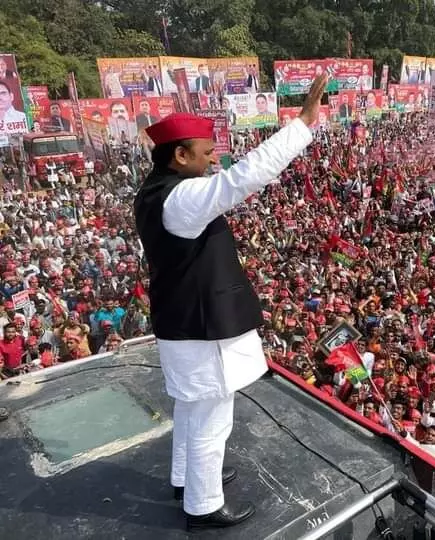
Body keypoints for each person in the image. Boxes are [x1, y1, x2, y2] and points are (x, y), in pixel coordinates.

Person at [133, 73, 327, 531]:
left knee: (192, 409)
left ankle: (186, 480)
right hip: (202, 332)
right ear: (179, 156)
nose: (214, 159)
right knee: (210, 420)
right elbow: (244, 178)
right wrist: (302, 123)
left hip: (184, 324)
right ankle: (203, 505)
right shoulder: (181, 198)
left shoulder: (158, 190)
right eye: (205, 153)